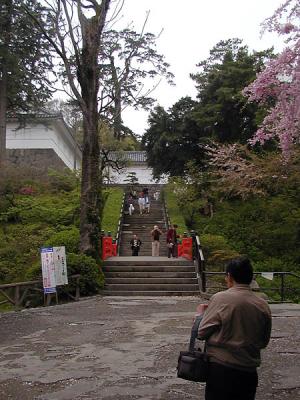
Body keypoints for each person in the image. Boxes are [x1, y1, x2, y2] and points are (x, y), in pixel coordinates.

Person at [196, 257, 272, 400]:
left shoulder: (221, 298)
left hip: (221, 369)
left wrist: (200, 315)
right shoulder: (262, 304)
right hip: (248, 371)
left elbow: (201, 332)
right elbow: (263, 342)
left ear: (229, 276)